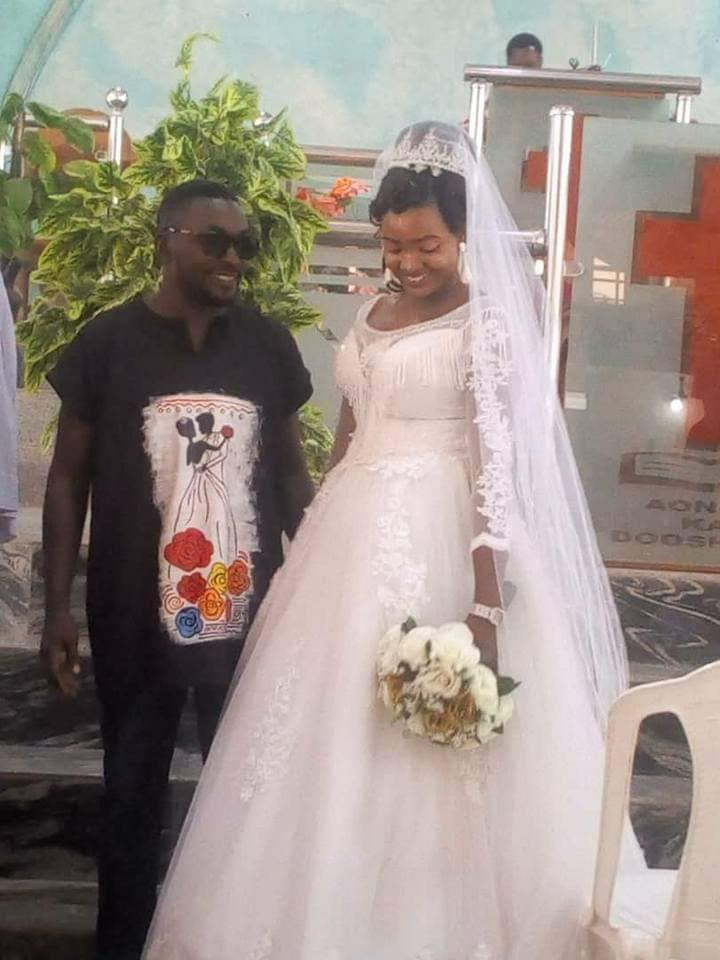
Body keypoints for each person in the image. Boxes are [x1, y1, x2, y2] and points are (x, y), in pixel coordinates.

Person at [143, 125, 670, 960]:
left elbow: (494, 464)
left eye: (427, 245)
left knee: (428, 753)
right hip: (345, 547)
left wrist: (486, 606)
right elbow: (348, 439)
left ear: (462, 236)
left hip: (442, 536)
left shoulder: (484, 324)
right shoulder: (370, 313)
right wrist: (307, 551)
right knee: (322, 748)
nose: (409, 261)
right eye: (393, 245)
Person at [41, 178, 314, 960]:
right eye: (214, 241)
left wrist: (319, 580)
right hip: (132, 611)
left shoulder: (267, 344)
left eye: (244, 244)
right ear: (166, 240)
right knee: (131, 793)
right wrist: (55, 608)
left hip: (247, 612)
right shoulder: (107, 343)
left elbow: (292, 475)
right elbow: (66, 478)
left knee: (245, 797)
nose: (234, 258)